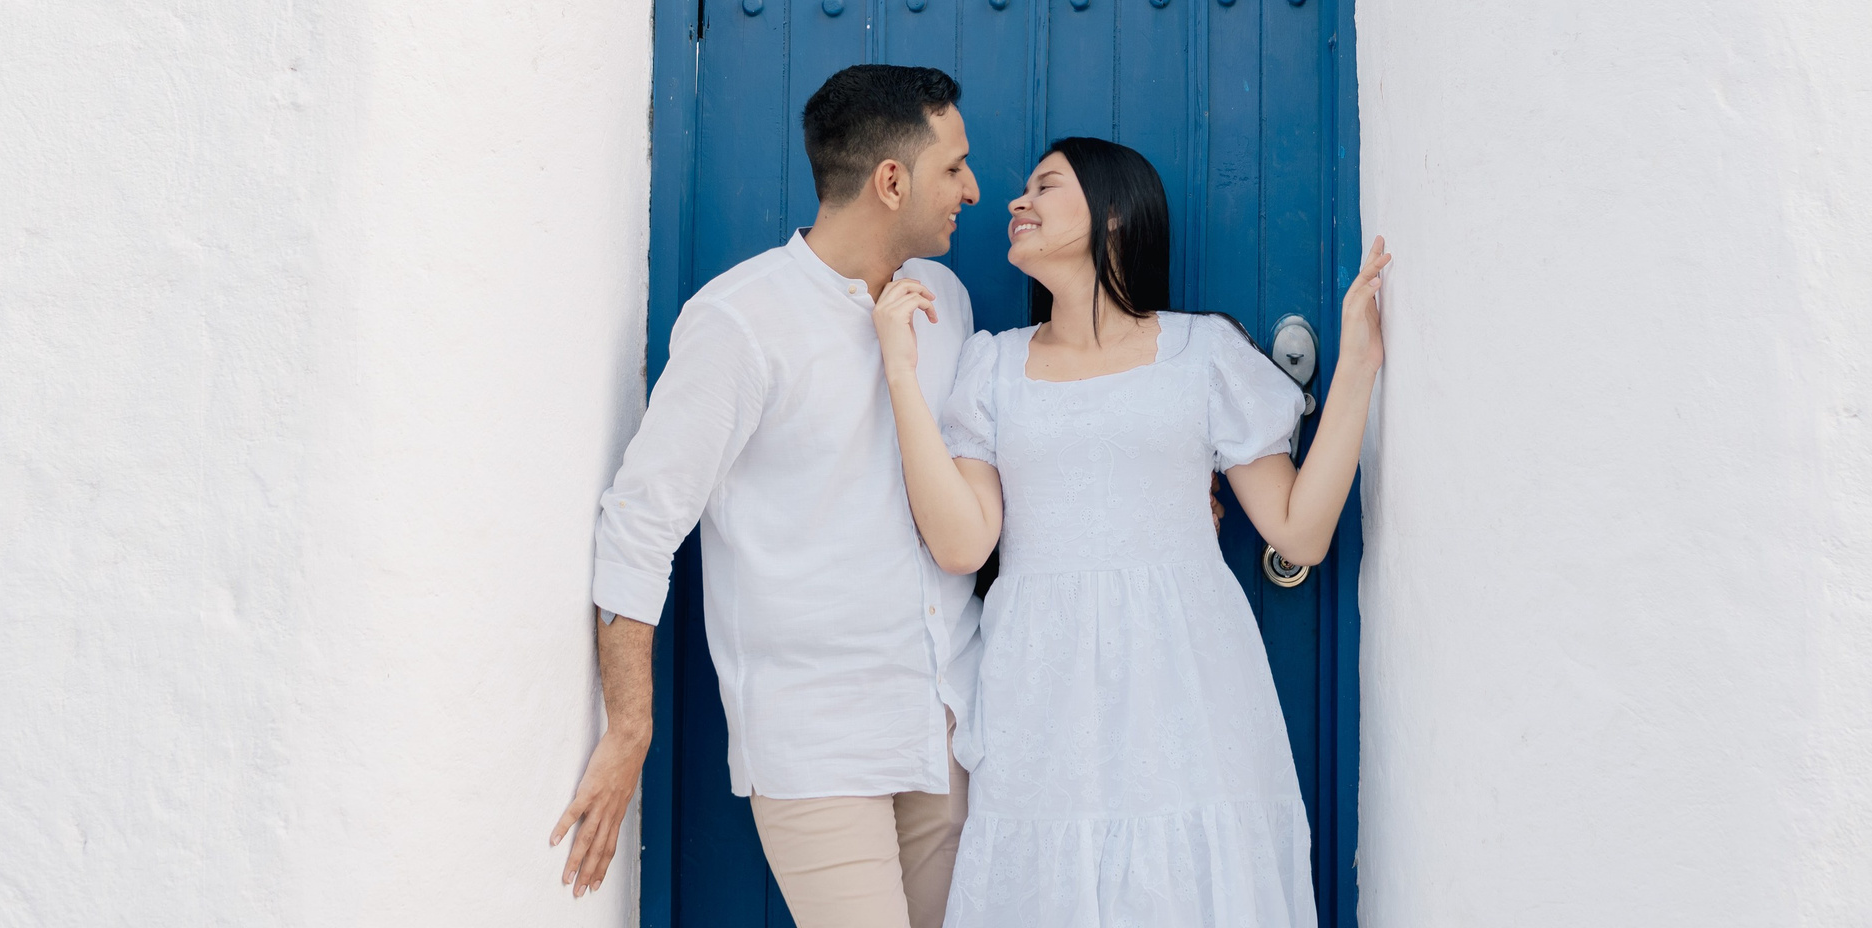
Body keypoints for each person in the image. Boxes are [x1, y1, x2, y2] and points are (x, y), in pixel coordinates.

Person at [869, 136, 1388, 927]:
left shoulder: (1200, 353)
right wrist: (902, 377)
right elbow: (962, 543)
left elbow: (1300, 531)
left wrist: (1356, 364)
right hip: (1044, 690)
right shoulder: (993, 368)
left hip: (1186, 684)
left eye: (1045, 187)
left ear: (1113, 216)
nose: (1017, 203)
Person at [551, 64, 986, 928]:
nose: (972, 189)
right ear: (890, 182)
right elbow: (640, 524)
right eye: (954, 167)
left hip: (946, 724)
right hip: (817, 741)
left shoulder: (948, 300)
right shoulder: (741, 323)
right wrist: (629, 724)